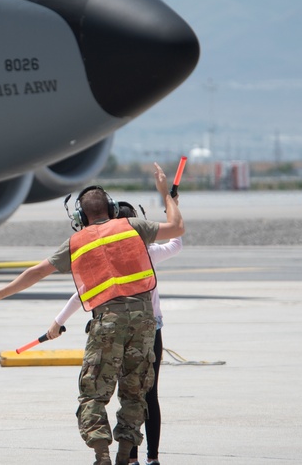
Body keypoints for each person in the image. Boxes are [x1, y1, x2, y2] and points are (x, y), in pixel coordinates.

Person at [0, 164, 184, 465]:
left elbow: (36, 272)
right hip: (145, 323)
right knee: (135, 393)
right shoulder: (132, 227)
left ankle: (102, 455)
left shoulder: (76, 242)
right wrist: (166, 195)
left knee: (93, 394)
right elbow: (177, 230)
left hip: (107, 322)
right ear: (110, 208)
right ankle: (126, 456)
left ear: (80, 218)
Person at [47, 198, 183, 465]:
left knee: (100, 391)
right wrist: (171, 203)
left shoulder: (102, 255)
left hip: (112, 328)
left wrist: (57, 322)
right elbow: (176, 240)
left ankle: (113, 456)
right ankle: (146, 457)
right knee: (143, 394)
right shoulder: (147, 251)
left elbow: (80, 293)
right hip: (148, 328)